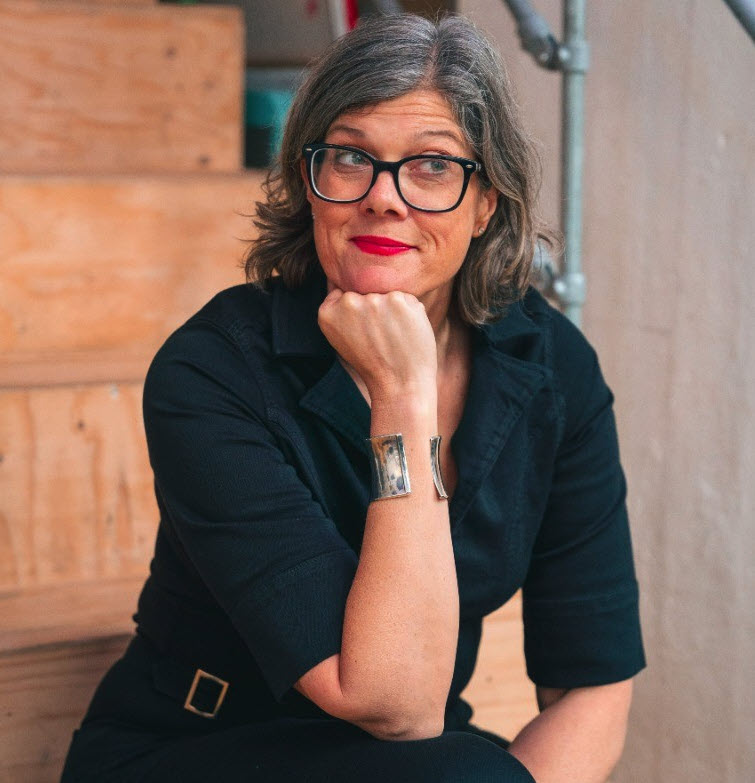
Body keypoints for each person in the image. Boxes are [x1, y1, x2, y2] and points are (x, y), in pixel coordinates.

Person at [61, 13, 644, 783]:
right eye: (349, 157)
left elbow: (592, 685)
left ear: (486, 205)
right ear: (310, 184)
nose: (384, 197)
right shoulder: (214, 371)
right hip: (192, 745)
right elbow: (391, 699)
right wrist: (402, 399)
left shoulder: (549, 369)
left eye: (432, 165)